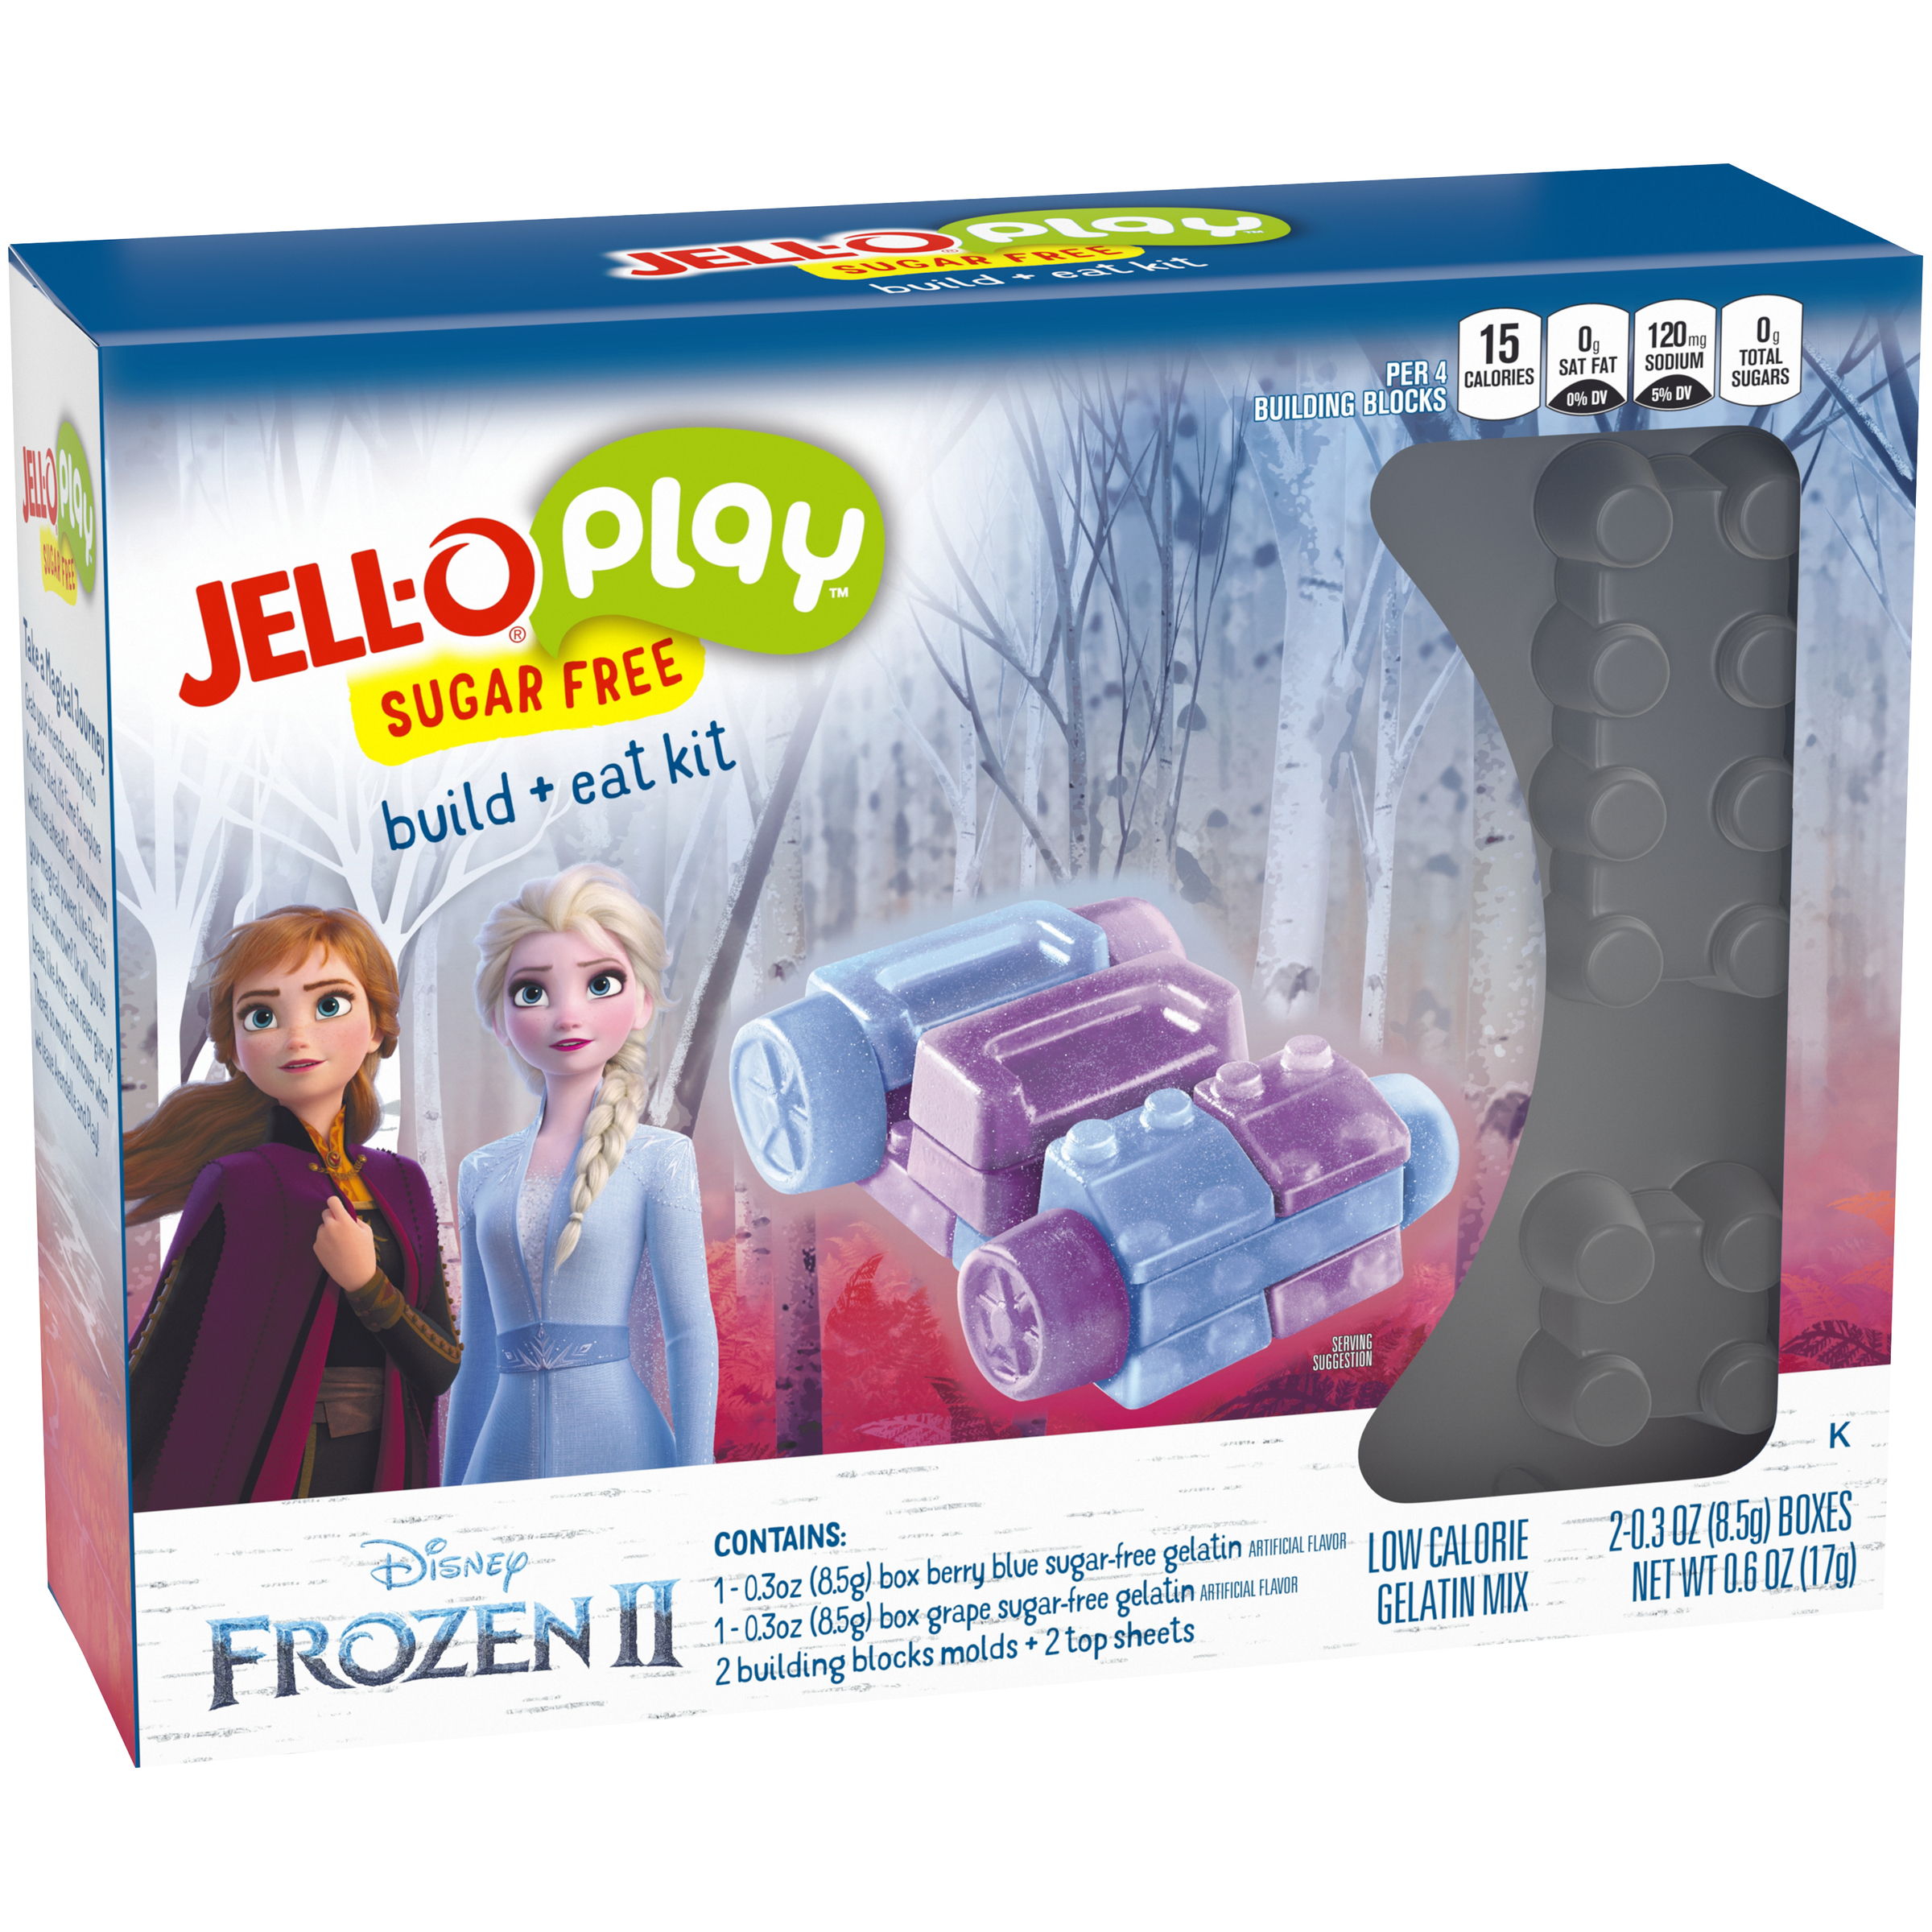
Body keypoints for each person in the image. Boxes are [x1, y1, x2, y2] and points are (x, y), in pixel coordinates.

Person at [125, 908, 461, 1511]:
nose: (296, 1037)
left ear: (378, 1028)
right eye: (262, 1016)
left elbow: (439, 1369)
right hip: (266, 1469)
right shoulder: (238, 1182)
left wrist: (368, 1285)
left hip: (390, 1464)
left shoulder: (403, 1182)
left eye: (329, 1005)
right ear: (235, 1049)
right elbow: (164, 1355)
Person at [443, 865, 716, 1484]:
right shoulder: (481, 1171)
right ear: (498, 1018)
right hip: (500, 1458)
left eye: (601, 983)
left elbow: (690, 1333)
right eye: (531, 992)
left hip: (625, 1450)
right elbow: (477, 1356)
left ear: (642, 1002)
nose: (568, 1014)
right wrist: (448, 1499)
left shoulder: (660, 1159)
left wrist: (697, 1485)